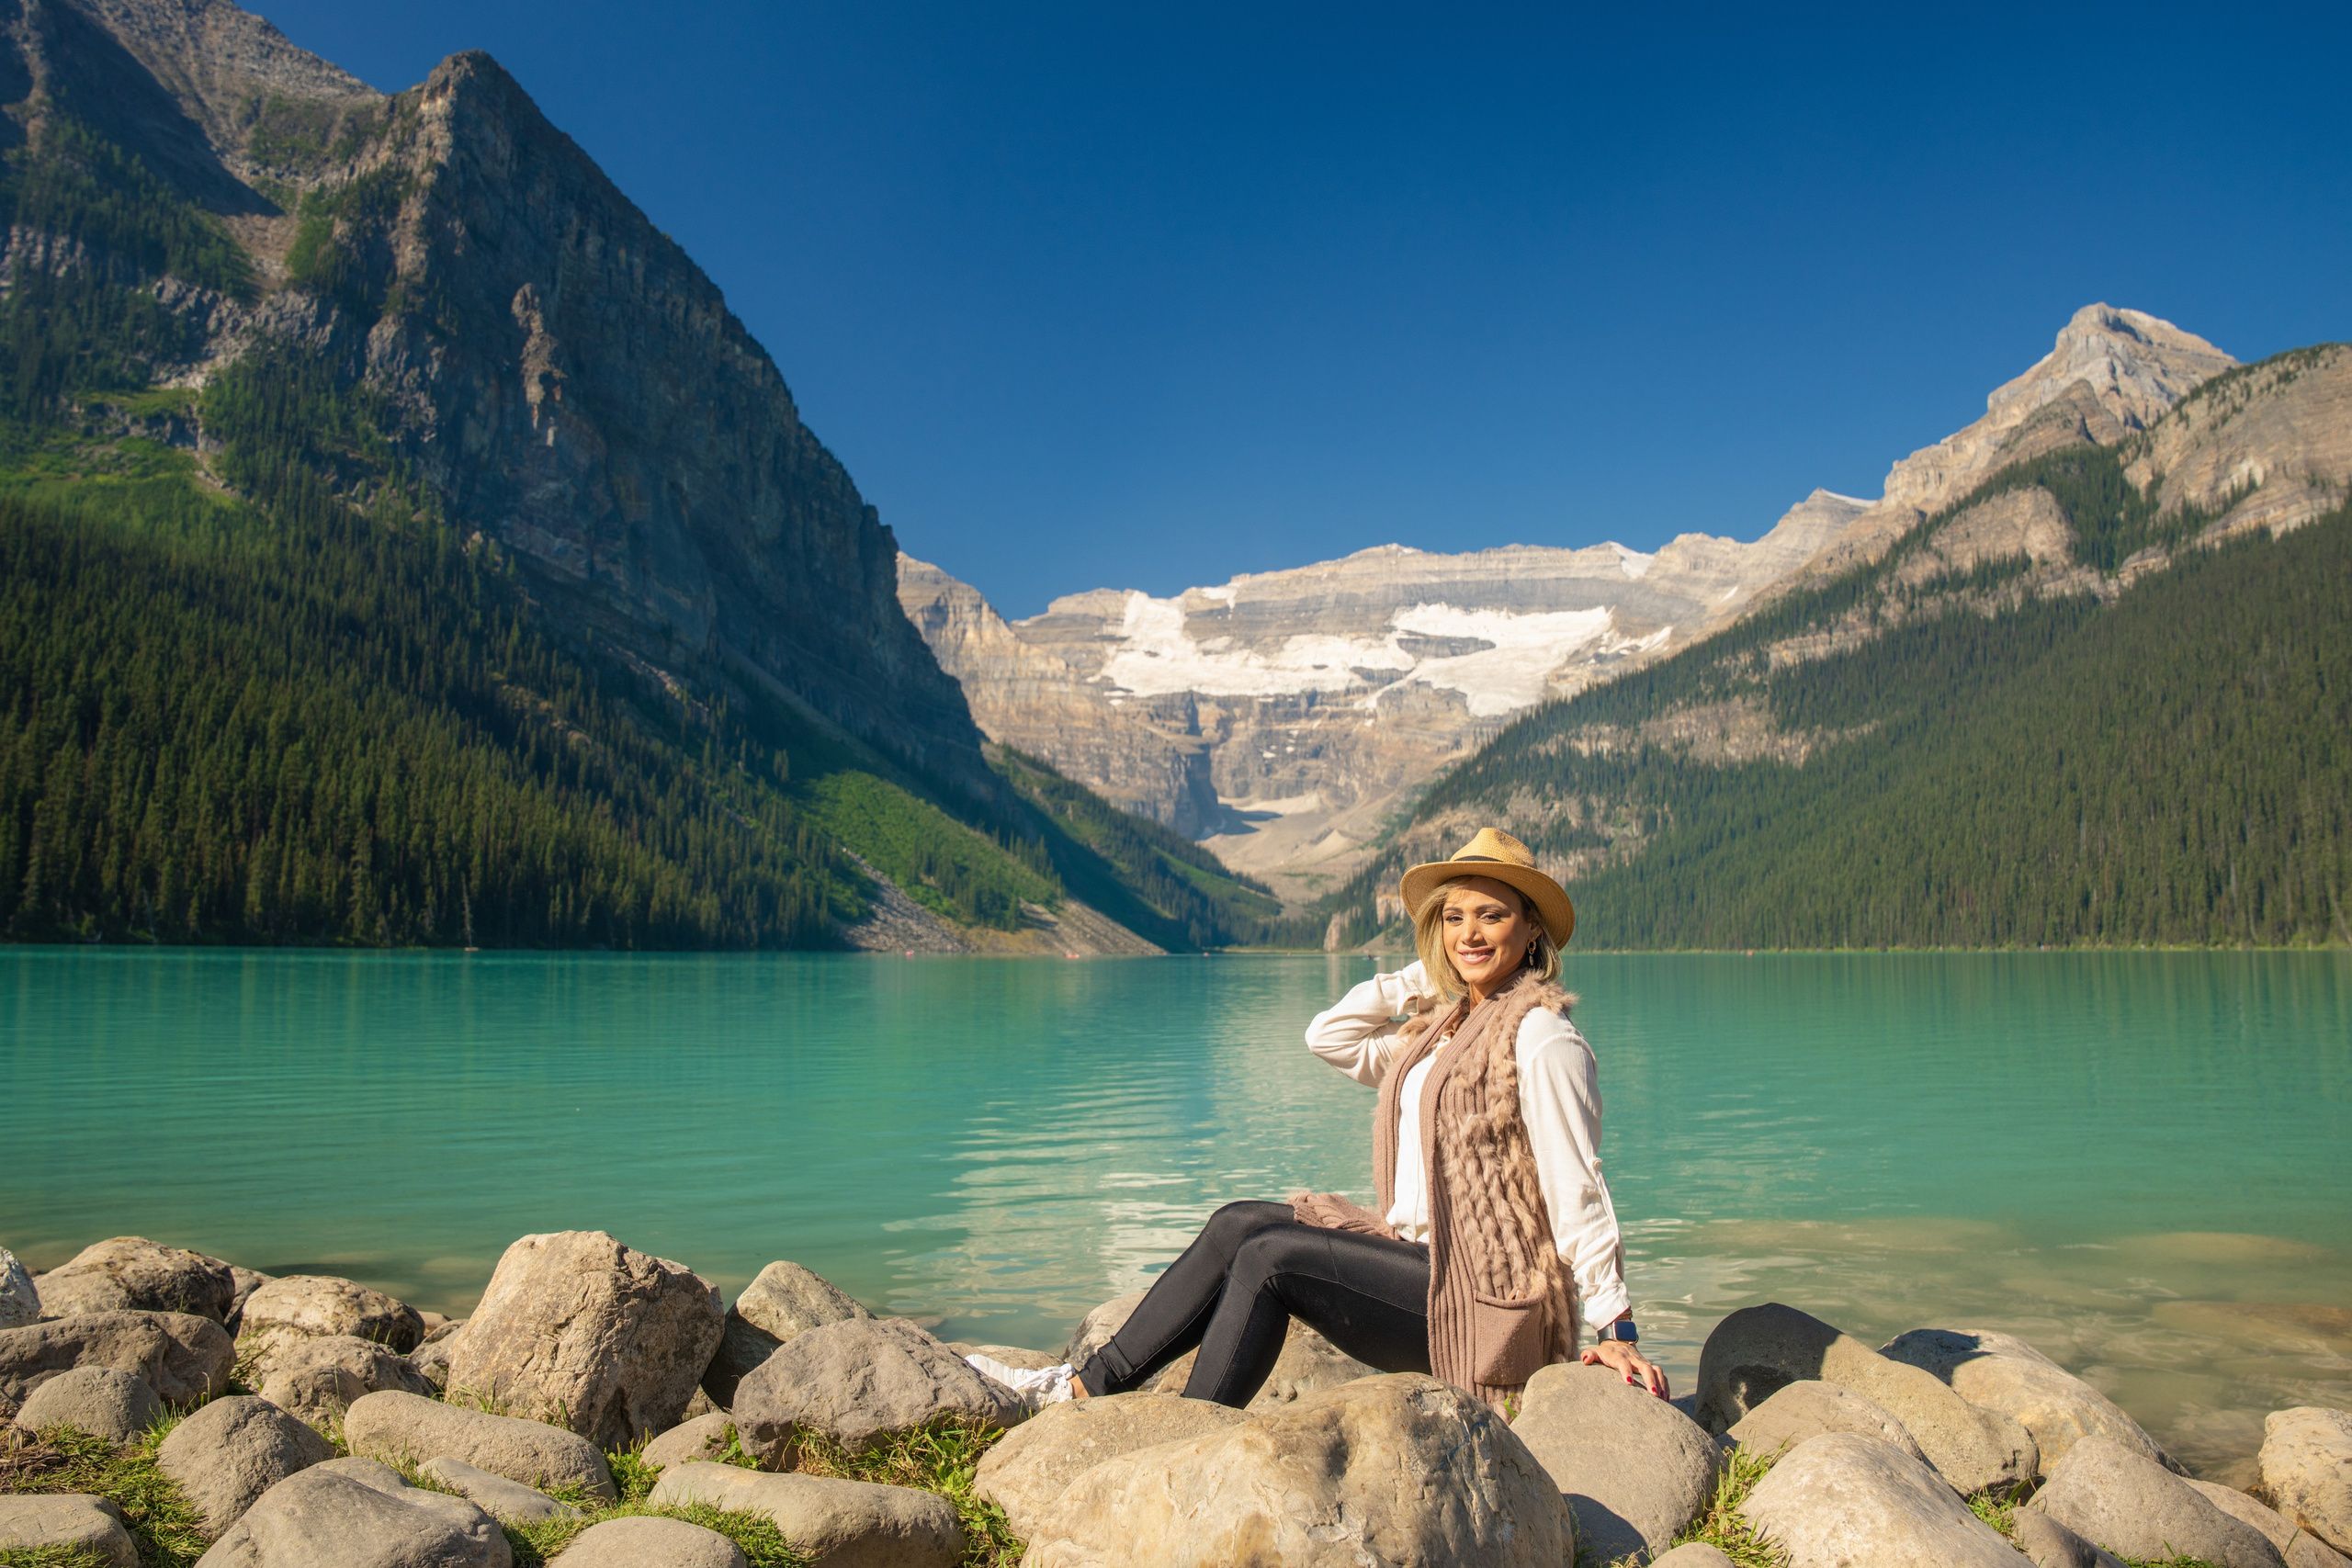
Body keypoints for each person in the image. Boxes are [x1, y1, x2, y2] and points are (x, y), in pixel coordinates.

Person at [1046, 827, 1666, 1411]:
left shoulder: (1541, 1035)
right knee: (1237, 1222)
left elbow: (1575, 1183)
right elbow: (1329, 1036)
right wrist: (1428, 974)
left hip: (1487, 1299)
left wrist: (1616, 1323)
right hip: (1419, 1263)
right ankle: (1082, 1387)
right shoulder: (1439, 1035)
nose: (1470, 932)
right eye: (1454, 918)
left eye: (1491, 915)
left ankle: (1191, 1435)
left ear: (1531, 926)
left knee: (1270, 1257)